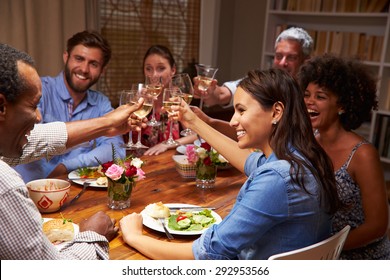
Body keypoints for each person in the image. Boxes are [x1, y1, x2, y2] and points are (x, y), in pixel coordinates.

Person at [120, 69, 341, 260]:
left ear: (276, 112)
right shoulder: (301, 157)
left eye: (241, 110)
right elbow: (249, 161)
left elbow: (209, 253)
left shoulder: (277, 178)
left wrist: (134, 237)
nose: (233, 121)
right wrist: (195, 122)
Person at [0, 43, 146, 259]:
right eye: (33, 106)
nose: (39, 117)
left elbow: (41, 139)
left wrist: (106, 124)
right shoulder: (6, 186)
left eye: (94, 63)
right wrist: (91, 235)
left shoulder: (100, 101)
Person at [299, 53, 390, 260]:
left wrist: (323, 249)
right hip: (319, 249)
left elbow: (378, 226)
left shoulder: (363, 154)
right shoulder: (309, 139)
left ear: (342, 106)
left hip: (360, 256)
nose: (309, 102)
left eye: (320, 96)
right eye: (307, 94)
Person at [14, 30, 125, 183]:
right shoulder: (38, 89)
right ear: (66, 57)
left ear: (102, 71)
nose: (84, 69)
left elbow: (116, 150)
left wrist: (66, 166)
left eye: (93, 64)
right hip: (31, 191)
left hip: (76, 193)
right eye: (79, 59)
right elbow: (27, 141)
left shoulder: (101, 103)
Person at [193, 27, 313, 108]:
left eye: (291, 58)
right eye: (278, 56)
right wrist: (211, 93)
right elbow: (221, 95)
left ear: (305, 61)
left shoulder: (313, 93)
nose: (282, 63)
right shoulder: (262, 82)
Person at [140, 45, 197, 155]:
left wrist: (167, 144)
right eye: (148, 69)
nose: (154, 75)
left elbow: (195, 135)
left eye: (161, 68)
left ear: (173, 70)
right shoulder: (139, 98)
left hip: (169, 163)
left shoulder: (179, 99)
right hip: (140, 162)